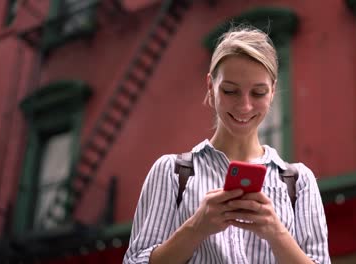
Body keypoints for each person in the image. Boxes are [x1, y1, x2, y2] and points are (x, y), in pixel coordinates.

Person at [123, 25, 330, 264]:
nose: (244, 106)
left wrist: (276, 232)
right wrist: (196, 227)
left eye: (258, 93)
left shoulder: (299, 181)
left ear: (273, 91)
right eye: (230, 91)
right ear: (211, 87)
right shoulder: (172, 172)